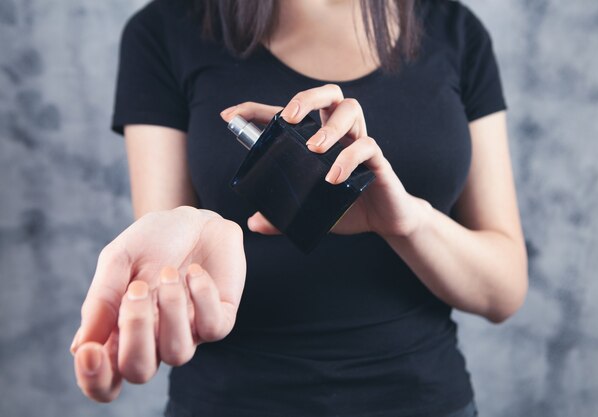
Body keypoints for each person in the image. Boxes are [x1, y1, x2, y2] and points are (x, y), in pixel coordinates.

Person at [70, 0, 528, 416]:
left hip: (425, 401)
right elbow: (166, 249)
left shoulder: (456, 31)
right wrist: (158, 301)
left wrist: (406, 222)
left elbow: (503, 291)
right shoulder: (163, 30)